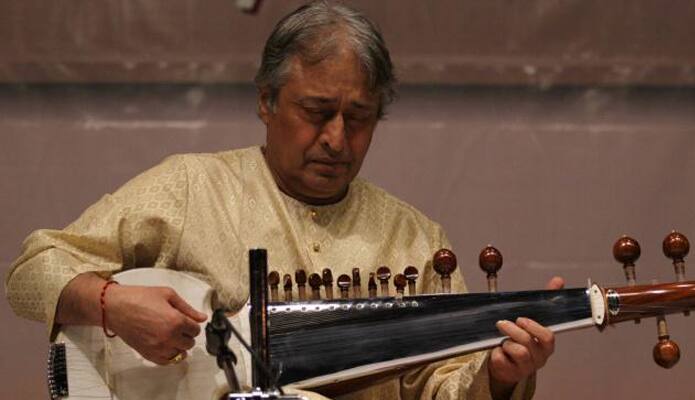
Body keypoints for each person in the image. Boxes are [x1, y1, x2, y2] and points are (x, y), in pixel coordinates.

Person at [5, 1, 562, 399]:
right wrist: (112, 306)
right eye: (317, 112)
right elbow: (31, 272)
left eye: (360, 119)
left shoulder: (416, 240)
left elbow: (440, 387)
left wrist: (501, 376)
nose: (337, 139)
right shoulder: (189, 189)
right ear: (267, 102)